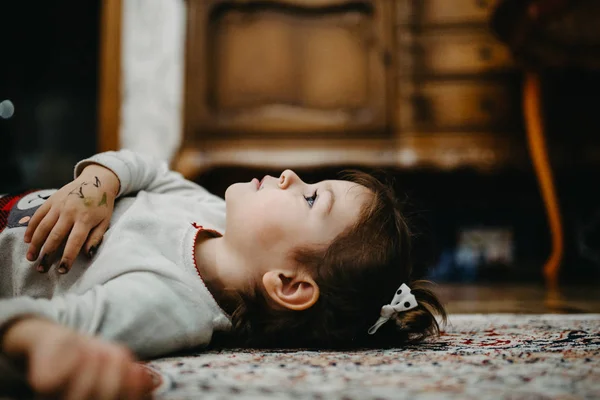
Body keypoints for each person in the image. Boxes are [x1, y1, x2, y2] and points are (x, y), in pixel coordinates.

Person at [0, 150, 447, 399]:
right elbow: (149, 170)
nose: (291, 175)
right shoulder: (213, 211)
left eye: (311, 200)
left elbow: (49, 328)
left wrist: (40, 342)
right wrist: (96, 185)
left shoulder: (169, 305)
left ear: (289, 284)